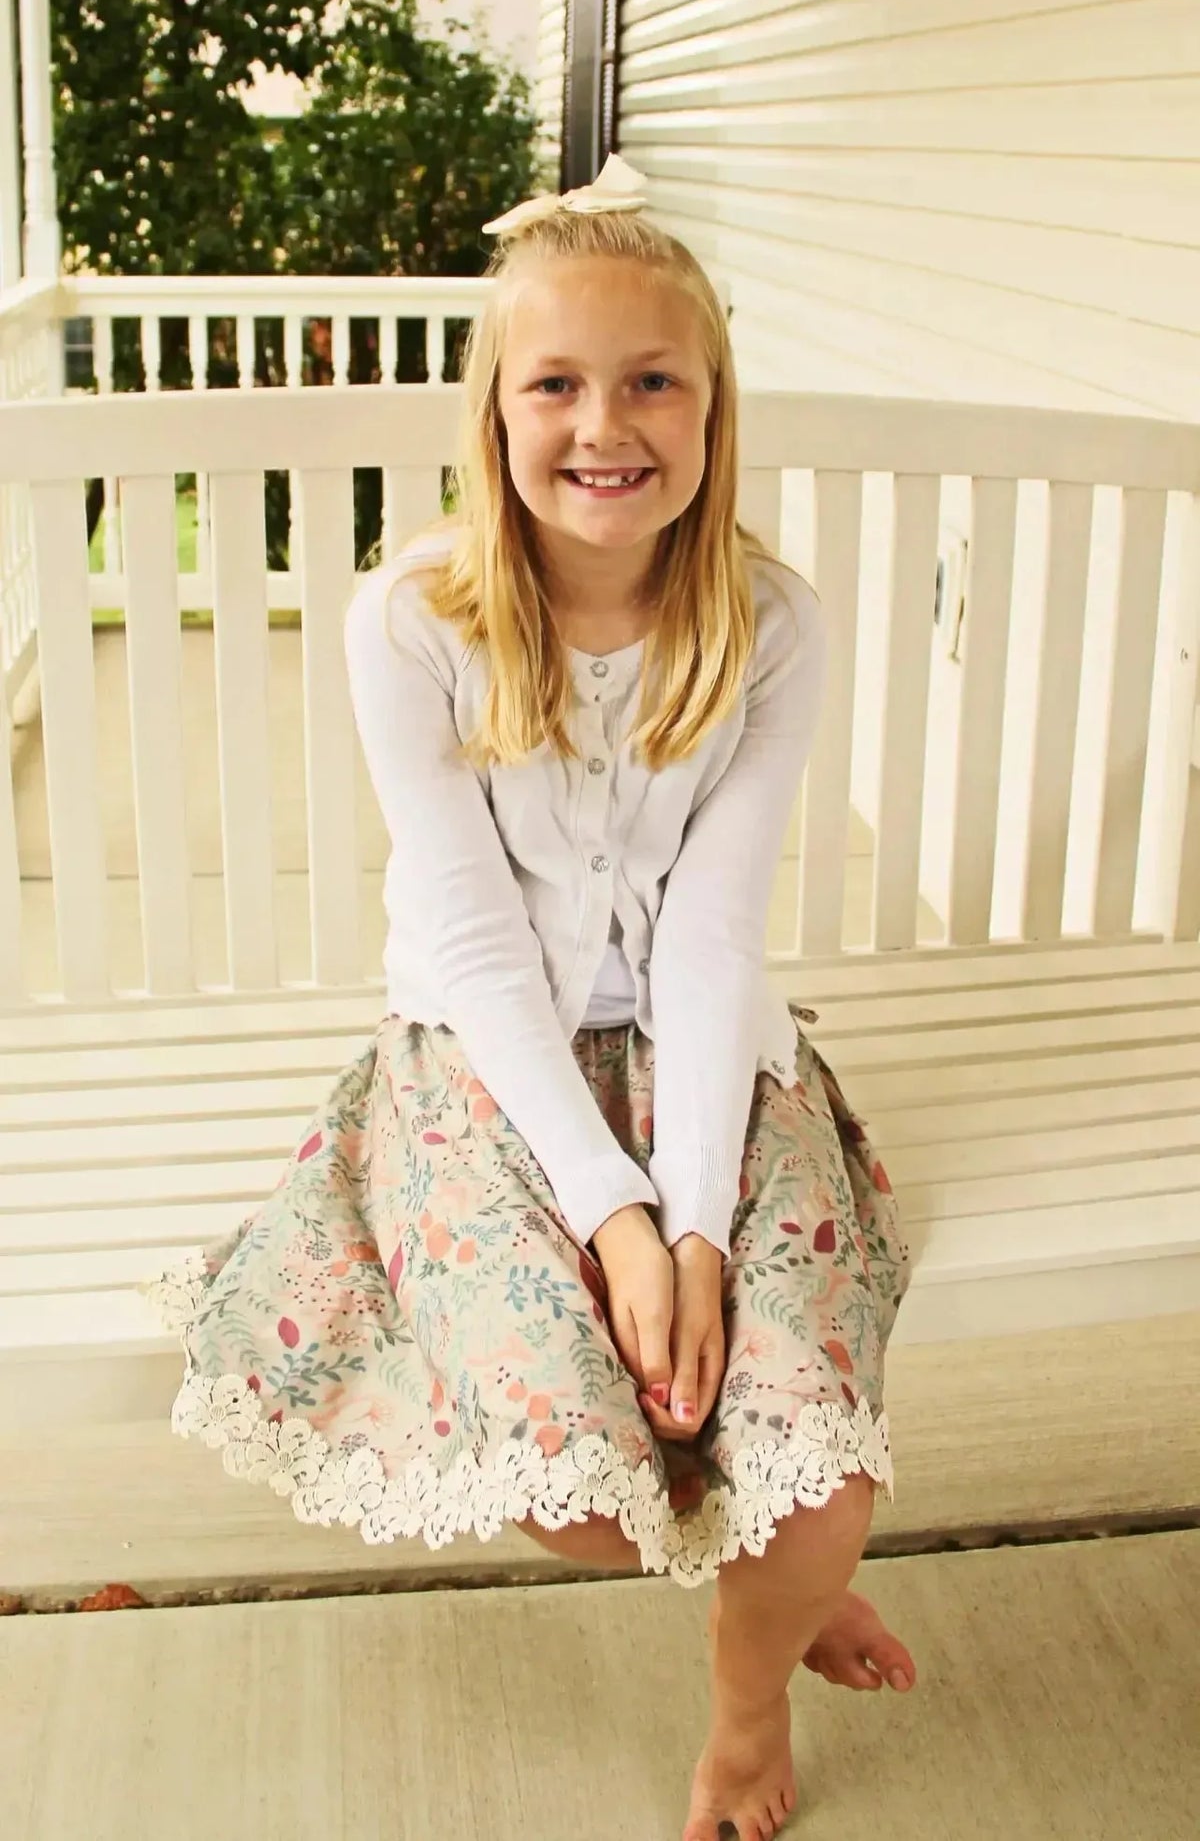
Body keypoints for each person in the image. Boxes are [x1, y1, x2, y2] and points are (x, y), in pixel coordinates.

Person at [143, 154, 916, 1841]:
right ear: (493, 413)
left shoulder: (767, 624)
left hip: (708, 1066)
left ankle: (750, 1682)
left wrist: (694, 1223)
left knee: (808, 1450)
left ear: (713, 410)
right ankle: (784, 1586)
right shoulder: (411, 621)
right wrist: (613, 1220)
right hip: (487, 1070)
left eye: (653, 380)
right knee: (587, 1466)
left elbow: (715, 939)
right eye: (554, 382)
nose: (603, 422)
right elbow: (480, 947)